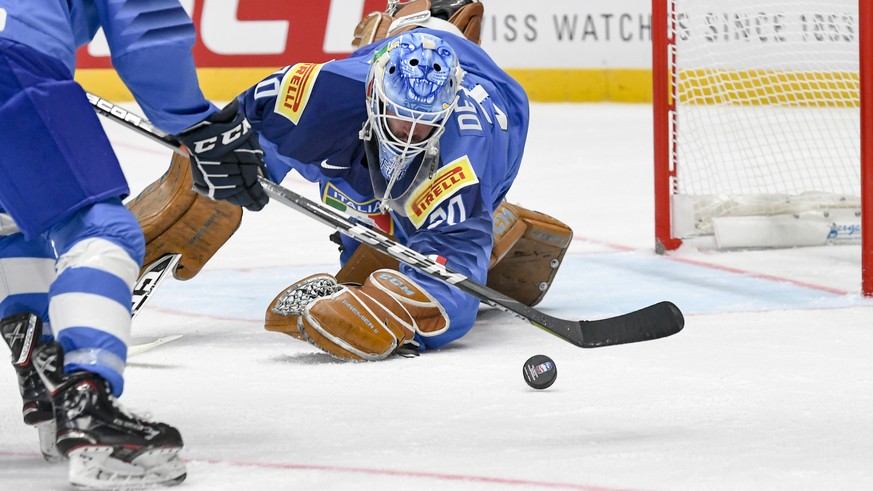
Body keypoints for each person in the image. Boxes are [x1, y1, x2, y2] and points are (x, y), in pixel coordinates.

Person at [0, 0, 266, 488]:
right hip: (9, 61)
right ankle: (88, 403)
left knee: (14, 217)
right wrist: (198, 124)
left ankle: (45, 362)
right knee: (97, 228)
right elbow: (145, 28)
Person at [232, 1, 570, 362]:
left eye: (424, 121)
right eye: (400, 115)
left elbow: (452, 288)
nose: (409, 133)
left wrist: (394, 310)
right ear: (373, 94)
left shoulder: (464, 158)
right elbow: (234, 129)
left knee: (403, 243)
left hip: (491, 111)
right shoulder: (325, 91)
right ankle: (423, 22)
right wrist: (214, 174)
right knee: (365, 233)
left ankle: (431, 24)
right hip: (373, 81)